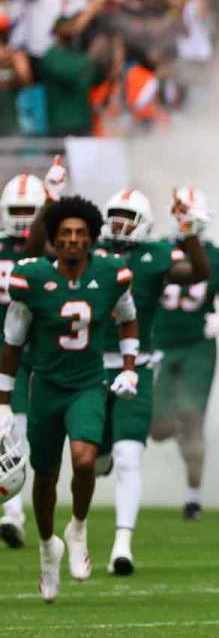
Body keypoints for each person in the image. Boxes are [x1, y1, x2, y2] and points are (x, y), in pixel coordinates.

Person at [0, 196, 138, 602]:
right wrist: (3, 403)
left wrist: (129, 365)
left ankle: (77, 526)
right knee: (44, 477)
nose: (73, 240)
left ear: (91, 238)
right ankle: (48, 549)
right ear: (54, 240)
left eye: (80, 234)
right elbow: (11, 344)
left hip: (87, 384)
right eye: (65, 234)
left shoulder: (111, 274)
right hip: (44, 386)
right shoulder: (34, 280)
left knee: (83, 459)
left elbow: (127, 316)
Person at [91, 187, 210, 575]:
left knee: (129, 457)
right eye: (116, 215)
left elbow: (199, 273)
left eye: (129, 216)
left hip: (135, 365)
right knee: (91, 462)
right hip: (87, 368)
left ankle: (122, 546)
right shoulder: (90, 249)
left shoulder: (155, 255)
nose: (121, 224)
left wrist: (189, 230)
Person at [148, 188, 219, 521]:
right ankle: (180, 425)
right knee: (159, 428)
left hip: (198, 346)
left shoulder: (218, 256)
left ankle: (193, 496)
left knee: (192, 418)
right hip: (160, 345)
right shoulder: (158, 252)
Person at [0, 169, 56, 549]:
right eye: (16, 209)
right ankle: (14, 512)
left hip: (35, 351)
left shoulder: (51, 252)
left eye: (29, 211)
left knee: (18, 429)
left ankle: (16, 511)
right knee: (7, 428)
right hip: (3, 346)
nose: (22, 219)